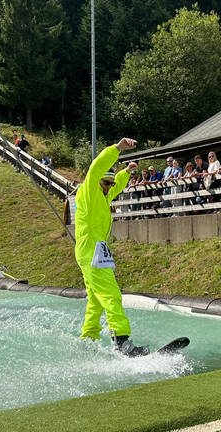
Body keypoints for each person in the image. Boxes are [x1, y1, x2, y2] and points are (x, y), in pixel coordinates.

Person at [74, 137, 148, 356]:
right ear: (98, 183)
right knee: (111, 294)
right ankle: (122, 341)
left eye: (111, 185)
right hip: (91, 253)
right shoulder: (88, 193)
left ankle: (88, 337)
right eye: (106, 183)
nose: (109, 188)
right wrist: (117, 149)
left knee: (96, 300)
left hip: (92, 252)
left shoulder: (104, 196)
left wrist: (125, 173)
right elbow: (95, 168)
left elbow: (115, 189)